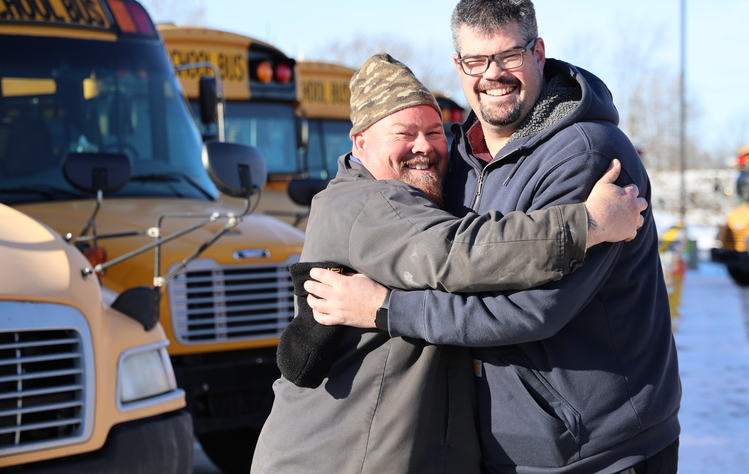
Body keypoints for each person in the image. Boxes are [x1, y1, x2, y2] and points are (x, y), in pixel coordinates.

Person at [310, 0, 681, 474]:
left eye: (509, 56)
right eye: (476, 60)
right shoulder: (458, 161)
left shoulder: (586, 155)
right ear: (458, 65)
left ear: (538, 52)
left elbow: (531, 310)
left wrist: (385, 309)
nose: (493, 75)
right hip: (501, 447)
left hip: (597, 451)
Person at [250, 53, 647, 474]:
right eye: (404, 133)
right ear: (360, 143)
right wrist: (587, 223)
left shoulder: (399, 198)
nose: (423, 146)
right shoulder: (374, 201)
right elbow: (462, 254)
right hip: (343, 459)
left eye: (434, 132)